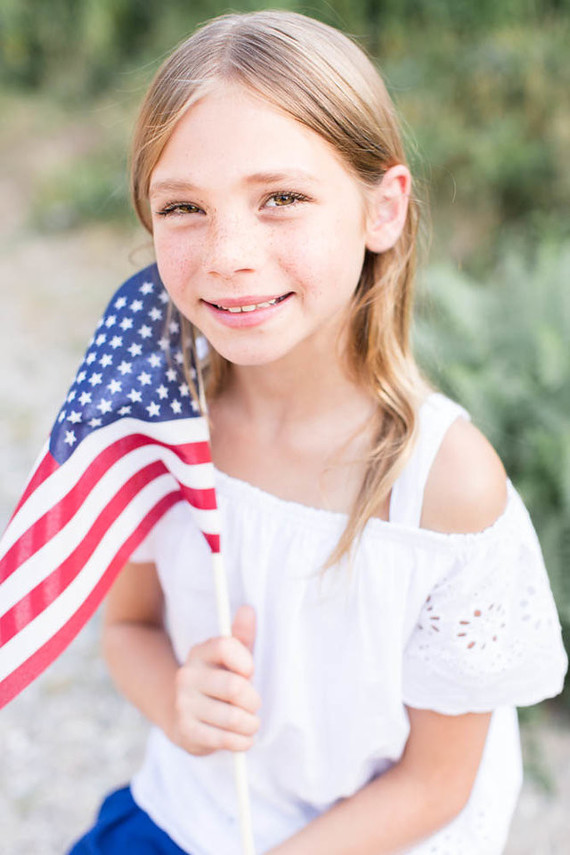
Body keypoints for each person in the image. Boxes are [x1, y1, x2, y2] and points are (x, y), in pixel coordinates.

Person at [67, 10, 567, 854]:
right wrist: (178, 700)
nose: (228, 252)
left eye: (282, 199)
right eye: (184, 206)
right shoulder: (157, 425)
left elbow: (437, 781)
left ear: (383, 209)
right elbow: (130, 628)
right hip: (189, 817)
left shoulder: (442, 486)